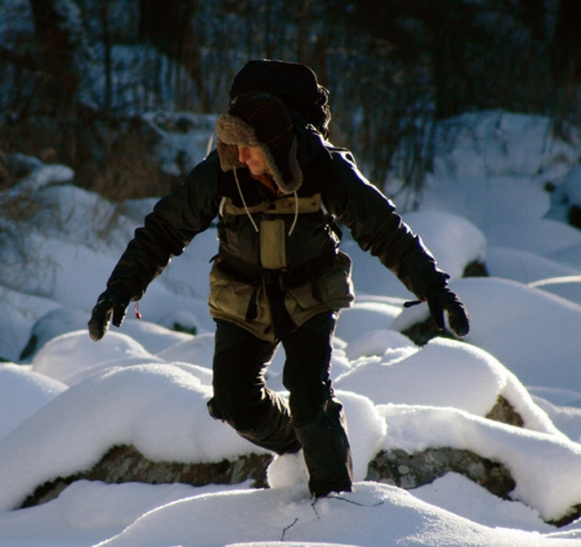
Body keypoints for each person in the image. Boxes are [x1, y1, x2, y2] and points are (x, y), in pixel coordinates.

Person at [87, 59, 470, 499]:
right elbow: (164, 230)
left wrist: (434, 288)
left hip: (309, 296)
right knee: (234, 403)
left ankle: (335, 503)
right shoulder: (223, 170)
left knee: (311, 399)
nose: (242, 159)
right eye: (235, 147)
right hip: (243, 298)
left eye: (250, 149)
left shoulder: (325, 168)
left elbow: (386, 231)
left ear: (276, 144)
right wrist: (121, 288)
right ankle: (296, 443)